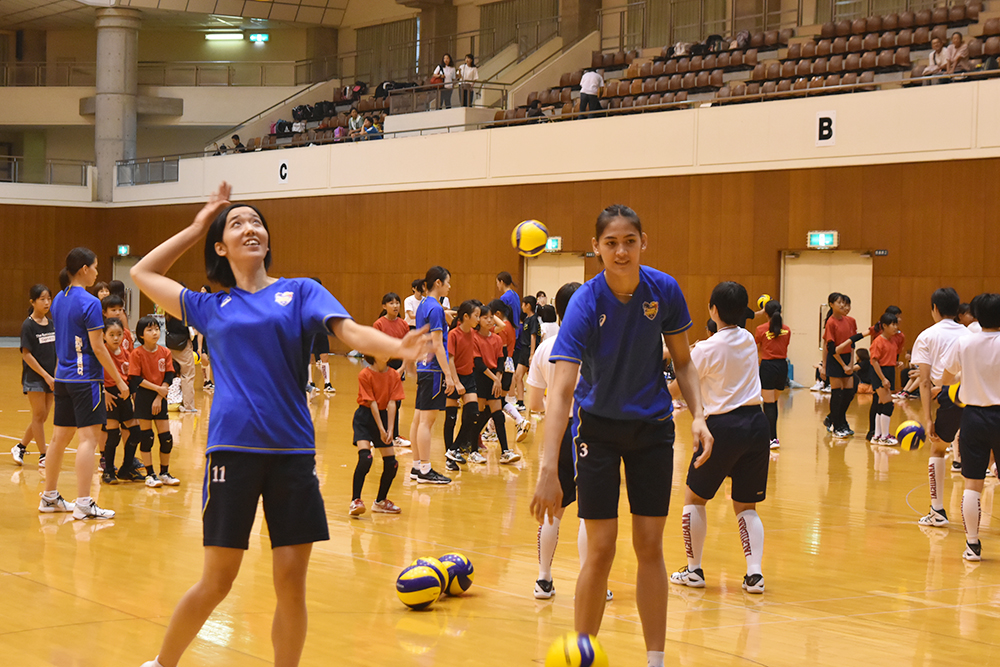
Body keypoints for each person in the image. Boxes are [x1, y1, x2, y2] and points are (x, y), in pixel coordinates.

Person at [132, 182, 431, 667]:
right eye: (237, 223)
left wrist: (397, 347)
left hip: (292, 454)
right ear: (221, 246)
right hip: (232, 451)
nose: (250, 227)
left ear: (267, 240)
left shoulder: (300, 292)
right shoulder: (210, 306)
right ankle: (162, 664)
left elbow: (348, 331)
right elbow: (142, 271)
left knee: (291, 581)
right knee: (218, 580)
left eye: (257, 223)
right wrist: (196, 223)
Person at [530, 205, 712, 667]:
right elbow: (562, 389)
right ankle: (580, 655)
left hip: (652, 430)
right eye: (610, 243)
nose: (621, 250)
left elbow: (684, 362)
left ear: (643, 242)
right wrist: (548, 468)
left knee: (650, 546)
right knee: (601, 547)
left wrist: (700, 416)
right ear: (596, 249)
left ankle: (655, 660)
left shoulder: (663, 290)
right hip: (598, 431)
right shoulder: (586, 304)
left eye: (629, 241)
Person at [670, 281, 770, 594]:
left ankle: (694, 569)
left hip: (721, 428)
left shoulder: (707, 348)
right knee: (746, 505)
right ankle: (754, 575)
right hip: (756, 425)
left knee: (694, 499)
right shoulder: (749, 339)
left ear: (713, 309)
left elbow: (678, 385)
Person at [527, 281, 606, 600]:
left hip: (558, 433)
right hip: (593, 432)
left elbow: (533, 404)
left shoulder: (546, 347)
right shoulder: (599, 345)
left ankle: (544, 579)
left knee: (553, 510)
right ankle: (593, 584)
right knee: (592, 512)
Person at [42, 247, 129, 520]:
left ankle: (50, 497)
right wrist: (119, 380)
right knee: (89, 439)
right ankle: (84, 503)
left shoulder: (58, 298)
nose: (97, 272)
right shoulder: (90, 303)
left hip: (64, 378)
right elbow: (99, 348)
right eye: (95, 267)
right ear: (83, 269)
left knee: (59, 437)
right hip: (86, 379)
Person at [942, 293, 1000, 562]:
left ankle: (973, 546)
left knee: (972, 483)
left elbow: (946, 376)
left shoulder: (964, 341)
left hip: (974, 416)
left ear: (975, 314)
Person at [913, 287, 971, 526]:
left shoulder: (926, 336)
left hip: (948, 396)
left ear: (934, 308)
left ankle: (937, 511)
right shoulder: (969, 333)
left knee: (938, 449)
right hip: (976, 398)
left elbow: (925, 381)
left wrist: (927, 418)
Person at [410, 266, 458, 485]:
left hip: (423, 367)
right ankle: (425, 469)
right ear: (438, 283)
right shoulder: (436, 308)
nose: (450, 286)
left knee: (419, 418)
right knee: (427, 422)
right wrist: (448, 375)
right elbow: (438, 344)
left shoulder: (422, 304)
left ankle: (416, 465)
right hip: (434, 369)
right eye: (447, 282)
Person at [349, 354, 405, 516]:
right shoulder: (365, 375)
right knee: (366, 459)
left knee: (392, 464)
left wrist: (390, 430)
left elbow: (393, 403)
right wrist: (381, 429)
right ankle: (355, 500)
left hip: (383, 417)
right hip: (365, 418)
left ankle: (380, 501)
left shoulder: (394, 375)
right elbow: (372, 402)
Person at [130, 315, 179, 488]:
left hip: (160, 397)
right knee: (147, 436)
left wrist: (160, 395)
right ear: (141, 334)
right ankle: (150, 474)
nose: (154, 332)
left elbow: (169, 375)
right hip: (144, 397)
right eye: (149, 330)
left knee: (166, 438)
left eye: (157, 329)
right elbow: (135, 379)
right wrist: (157, 390)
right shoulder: (137, 353)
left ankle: (164, 472)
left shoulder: (165, 352)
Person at [471, 302, 519, 464]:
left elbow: (500, 360)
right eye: (486, 318)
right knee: (478, 414)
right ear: (478, 320)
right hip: (481, 378)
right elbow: (478, 362)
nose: (490, 320)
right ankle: (472, 450)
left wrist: (498, 377)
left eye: (492, 317)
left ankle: (505, 451)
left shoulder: (497, 339)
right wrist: (495, 378)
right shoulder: (474, 337)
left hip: (494, 379)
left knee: (498, 414)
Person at [14, 284, 55, 468]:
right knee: (39, 415)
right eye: (42, 299)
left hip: (52, 377)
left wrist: (55, 375)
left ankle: (21, 446)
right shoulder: (28, 325)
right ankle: (43, 455)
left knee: (42, 416)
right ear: (33, 302)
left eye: (49, 299)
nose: (47, 303)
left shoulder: (52, 324)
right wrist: (46, 376)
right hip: (35, 377)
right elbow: (26, 355)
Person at [444, 300, 481, 470]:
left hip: (469, 377)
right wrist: (455, 381)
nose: (479, 319)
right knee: (451, 418)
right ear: (465, 316)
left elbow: (499, 326)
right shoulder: (454, 334)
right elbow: (450, 359)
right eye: (476, 315)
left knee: (473, 414)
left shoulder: (474, 332)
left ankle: (453, 449)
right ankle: (449, 458)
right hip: (454, 378)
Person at [373, 292, 411, 448]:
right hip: (382, 366)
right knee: (381, 400)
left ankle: (394, 435)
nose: (395, 306)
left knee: (396, 401)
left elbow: (408, 349)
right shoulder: (379, 324)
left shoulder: (404, 324)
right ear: (384, 306)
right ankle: (377, 434)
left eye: (397, 303)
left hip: (398, 366)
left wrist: (402, 368)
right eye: (391, 303)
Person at [100, 316, 133, 484]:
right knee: (113, 435)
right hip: (109, 396)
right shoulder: (101, 353)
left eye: (119, 334)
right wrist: (103, 392)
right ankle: (108, 471)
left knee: (134, 432)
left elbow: (131, 377)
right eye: (111, 334)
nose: (115, 338)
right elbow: (94, 377)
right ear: (104, 335)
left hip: (124, 395)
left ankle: (127, 468)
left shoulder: (127, 354)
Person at [754, 299, 790, 449]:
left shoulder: (761, 329)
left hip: (768, 366)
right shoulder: (787, 329)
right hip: (782, 366)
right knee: (773, 403)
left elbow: (755, 347)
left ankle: (771, 438)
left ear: (765, 313)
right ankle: (770, 437)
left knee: (768, 405)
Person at [823, 293, 858, 438]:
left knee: (849, 392)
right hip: (835, 359)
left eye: (844, 303)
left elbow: (852, 343)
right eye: (839, 303)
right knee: (837, 394)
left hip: (846, 358)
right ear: (831, 304)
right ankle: (838, 425)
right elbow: (830, 348)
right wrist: (842, 365)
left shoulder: (850, 321)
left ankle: (834, 418)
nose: (842, 305)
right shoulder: (830, 322)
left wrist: (850, 363)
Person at [866, 313, 901, 444]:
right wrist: (883, 378)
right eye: (892, 324)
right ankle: (885, 436)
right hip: (880, 373)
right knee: (888, 404)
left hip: (889, 371)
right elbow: (874, 361)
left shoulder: (893, 340)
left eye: (896, 324)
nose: (895, 327)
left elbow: (888, 357)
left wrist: (896, 363)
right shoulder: (878, 341)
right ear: (884, 326)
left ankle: (877, 435)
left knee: (881, 405)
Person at [512, 295, 541, 415]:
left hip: (529, 351)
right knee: (518, 376)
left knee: (534, 379)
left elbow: (533, 336)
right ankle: (520, 403)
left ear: (528, 305)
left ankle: (538, 404)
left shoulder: (534, 319)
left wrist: (532, 354)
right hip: (523, 351)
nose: (521, 307)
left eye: (523, 304)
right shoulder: (527, 319)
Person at [306, 277, 335, 395]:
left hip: (321, 331)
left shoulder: (324, 299)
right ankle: (310, 382)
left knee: (324, 356)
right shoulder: (306, 300)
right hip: (310, 331)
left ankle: (327, 383)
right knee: (310, 358)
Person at [165, 311, 197, 413]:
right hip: (184, 345)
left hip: (171, 344)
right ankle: (188, 406)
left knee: (172, 373)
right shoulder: (183, 312)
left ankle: (170, 401)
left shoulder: (168, 311)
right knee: (187, 375)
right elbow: (191, 333)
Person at [195, 285, 214, 391]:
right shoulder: (198, 306)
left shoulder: (209, 305)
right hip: (198, 335)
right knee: (204, 359)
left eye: (204, 290)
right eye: (200, 289)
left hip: (207, 335)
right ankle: (206, 380)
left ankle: (207, 381)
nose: (201, 291)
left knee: (206, 360)